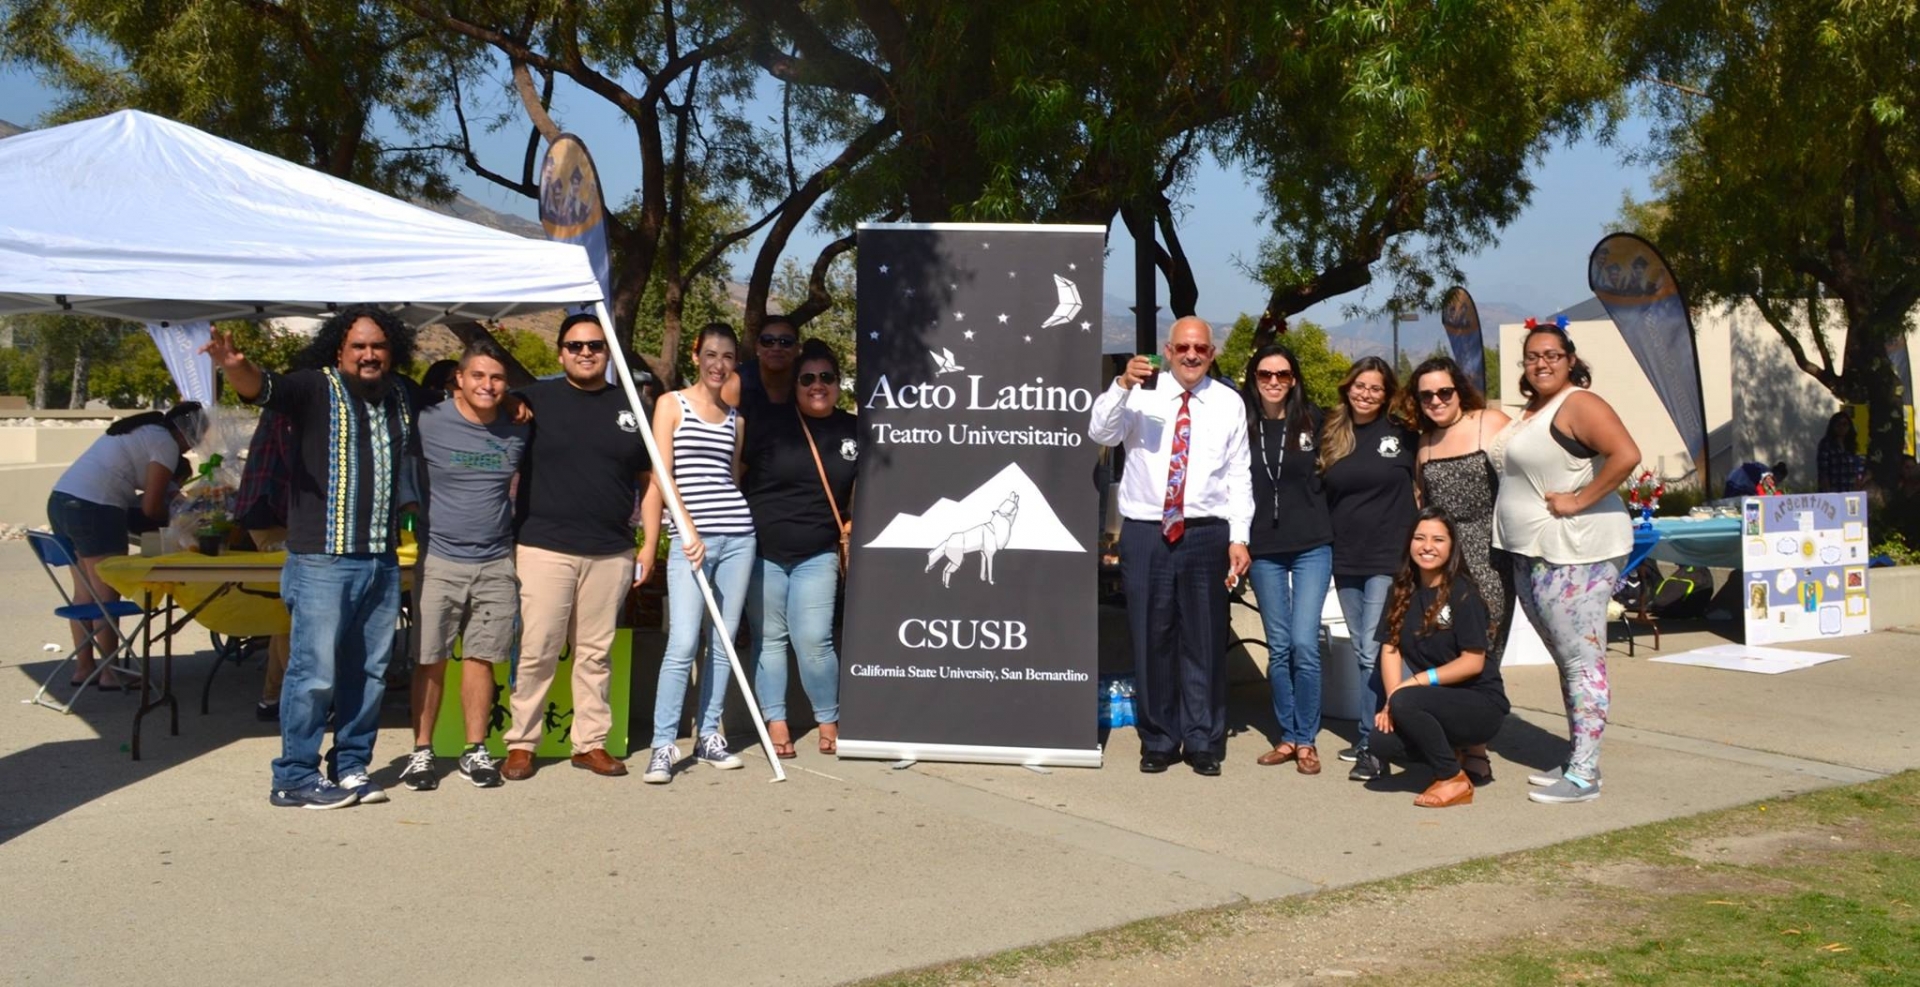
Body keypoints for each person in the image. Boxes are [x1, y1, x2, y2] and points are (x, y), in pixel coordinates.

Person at [203, 307, 422, 810]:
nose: (369, 355)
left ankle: (350, 768)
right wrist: (234, 364)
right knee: (313, 671)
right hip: (321, 559)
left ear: (392, 352)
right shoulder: (312, 388)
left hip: (379, 559)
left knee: (367, 671)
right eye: (359, 347)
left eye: (379, 347)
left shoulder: (401, 395)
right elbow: (260, 387)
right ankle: (294, 775)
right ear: (339, 350)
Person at [1089, 316, 1253, 777]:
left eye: (1200, 348)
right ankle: (1158, 738)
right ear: (1169, 348)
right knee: (1151, 635)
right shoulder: (1142, 392)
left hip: (1206, 531)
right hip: (1145, 531)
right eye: (1183, 347)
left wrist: (1239, 535)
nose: (1192, 355)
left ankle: (1203, 739)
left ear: (1212, 352)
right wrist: (1121, 384)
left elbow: (1239, 474)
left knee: (1204, 638)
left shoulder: (1228, 403)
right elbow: (1100, 433)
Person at [502, 312, 657, 782]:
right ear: (560, 352)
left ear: (607, 352)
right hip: (544, 546)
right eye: (575, 345)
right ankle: (521, 744)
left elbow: (649, 481)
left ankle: (589, 743)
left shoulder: (632, 406)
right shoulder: (533, 401)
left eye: (594, 345)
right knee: (538, 648)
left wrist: (649, 544)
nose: (585, 352)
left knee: (595, 653)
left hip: (611, 550)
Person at [1490, 318, 1639, 804]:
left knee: (1582, 660)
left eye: (1552, 354)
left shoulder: (1580, 403)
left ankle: (1585, 774)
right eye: (1532, 356)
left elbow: (1625, 454)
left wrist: (1578, 500)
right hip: (1534, 552)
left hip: (1577, 552)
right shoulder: (1536, 410)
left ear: (1570, 359)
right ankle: (1580, 754)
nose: (1542, 363)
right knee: (1567, 660)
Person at [397, 340, 528, 791]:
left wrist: (519, 403)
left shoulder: (518, 426)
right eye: (478, 376)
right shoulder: (430, 421)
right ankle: (421, 751)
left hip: (495, 560)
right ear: (459, 378)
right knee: (429, 658)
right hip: (440, 559)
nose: (487, 385)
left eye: (496, 378)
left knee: (482, 658)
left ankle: (475, 750)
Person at [643, 322, 758, 784]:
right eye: (711, 354)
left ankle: (709, 734)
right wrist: (682, 528)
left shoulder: (737, 421)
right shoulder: (671, 405)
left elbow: (728, 479)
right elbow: (662, 476)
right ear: (697, 356)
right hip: (691, 542)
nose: (718, 364)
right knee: (683, 641)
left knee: (724, 644)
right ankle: (662, 746)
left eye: (727, 357)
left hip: (738, 538)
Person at [743, 339, 856, 758]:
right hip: (763, 553)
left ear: (838, 383)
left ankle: (829, 720)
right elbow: (737, 475)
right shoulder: (768, 425)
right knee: (769, 639)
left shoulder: (854, 430)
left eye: (826, 377)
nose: (817, 385)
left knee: (814, 640)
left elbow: (872, 487)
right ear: (794, 385)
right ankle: (777, 723)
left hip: (818, 553)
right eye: (807, 378)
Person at [46, 402, 207, 693]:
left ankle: (84, 668)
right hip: (96, 507)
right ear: (190, 434)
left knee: (84, 592)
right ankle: (110, 672)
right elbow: (151, 507)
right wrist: (179, 521)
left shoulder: (144, 430)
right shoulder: (166, 444)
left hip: (61, 499)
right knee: (106, 592)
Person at [1403, 356, 1512, 783]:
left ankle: (1477, 750)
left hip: (1489, 557)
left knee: (1481, 649)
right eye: (1426, 394)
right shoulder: (1425, 442)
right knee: (1445, 646)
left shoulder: (1492, 423)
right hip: (1441, 560)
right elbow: (1420, 500)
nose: (1435, 400)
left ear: (1459, 390)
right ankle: (1452, 741)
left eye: (1444, 391)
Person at [1365, 507, 1509, 808]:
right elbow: (1390, 649)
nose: (1427, 546)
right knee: (1380, 741)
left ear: (1452, 546)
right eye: (1419, 538)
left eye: (1438, 539)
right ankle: (1450, 753)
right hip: (1433, 701)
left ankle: (1452, 778)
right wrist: (1393, 702)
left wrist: (1414, 684)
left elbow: (1473, 662)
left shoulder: (1463, 593)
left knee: (1407, 700)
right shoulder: (1401, 590)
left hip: (1480, 705)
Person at [1319, 356, 1417, 783]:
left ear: (1388, 393)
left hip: (1387, 557)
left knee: (1372, 650)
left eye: (1376, 388)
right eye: (1360, 385)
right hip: (1346, 557)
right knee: (1364, 646)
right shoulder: (1331, 434)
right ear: (1348, 387)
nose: (1366, 394)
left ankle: (1373, 738)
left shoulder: (1403, 434)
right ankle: (1380, 729)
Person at [1239, 344, 1334, 776]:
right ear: (1253, 379)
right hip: (1264, 550)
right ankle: (1289, 736)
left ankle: (1308, 738)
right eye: (1265, 375)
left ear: (1294, 379)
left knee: (1302, 644)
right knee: (1278, 648)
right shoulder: (1241, 425)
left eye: (1282, 374)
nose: (1273, 382)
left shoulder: (1316, 420)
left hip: (1312, 545)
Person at [234, 404, 296, 720]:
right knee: (290, 611)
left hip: (270, 511)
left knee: (284, 610)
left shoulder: (284, 406)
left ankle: (271, 698)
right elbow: (301, 463)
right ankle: (299, 701)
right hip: (272, 512)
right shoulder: (291, 408)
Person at [722, 314, 799, 420]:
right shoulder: (737, 382)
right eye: (767, 341)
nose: (776, 348)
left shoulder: (808, 381)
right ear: (757, 346)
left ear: (797, 349)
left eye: (785, 341)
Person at [1817, 412, 1865, 492]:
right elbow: (1823, 471)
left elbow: (1857, 469)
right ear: (1833, 426)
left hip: (1850, 490)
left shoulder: (1852, 445)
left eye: (1845, 424)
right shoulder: (1826, 444)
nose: (1841, 427)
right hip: (1833, 490)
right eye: (1838, 424)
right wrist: (1828, 493)